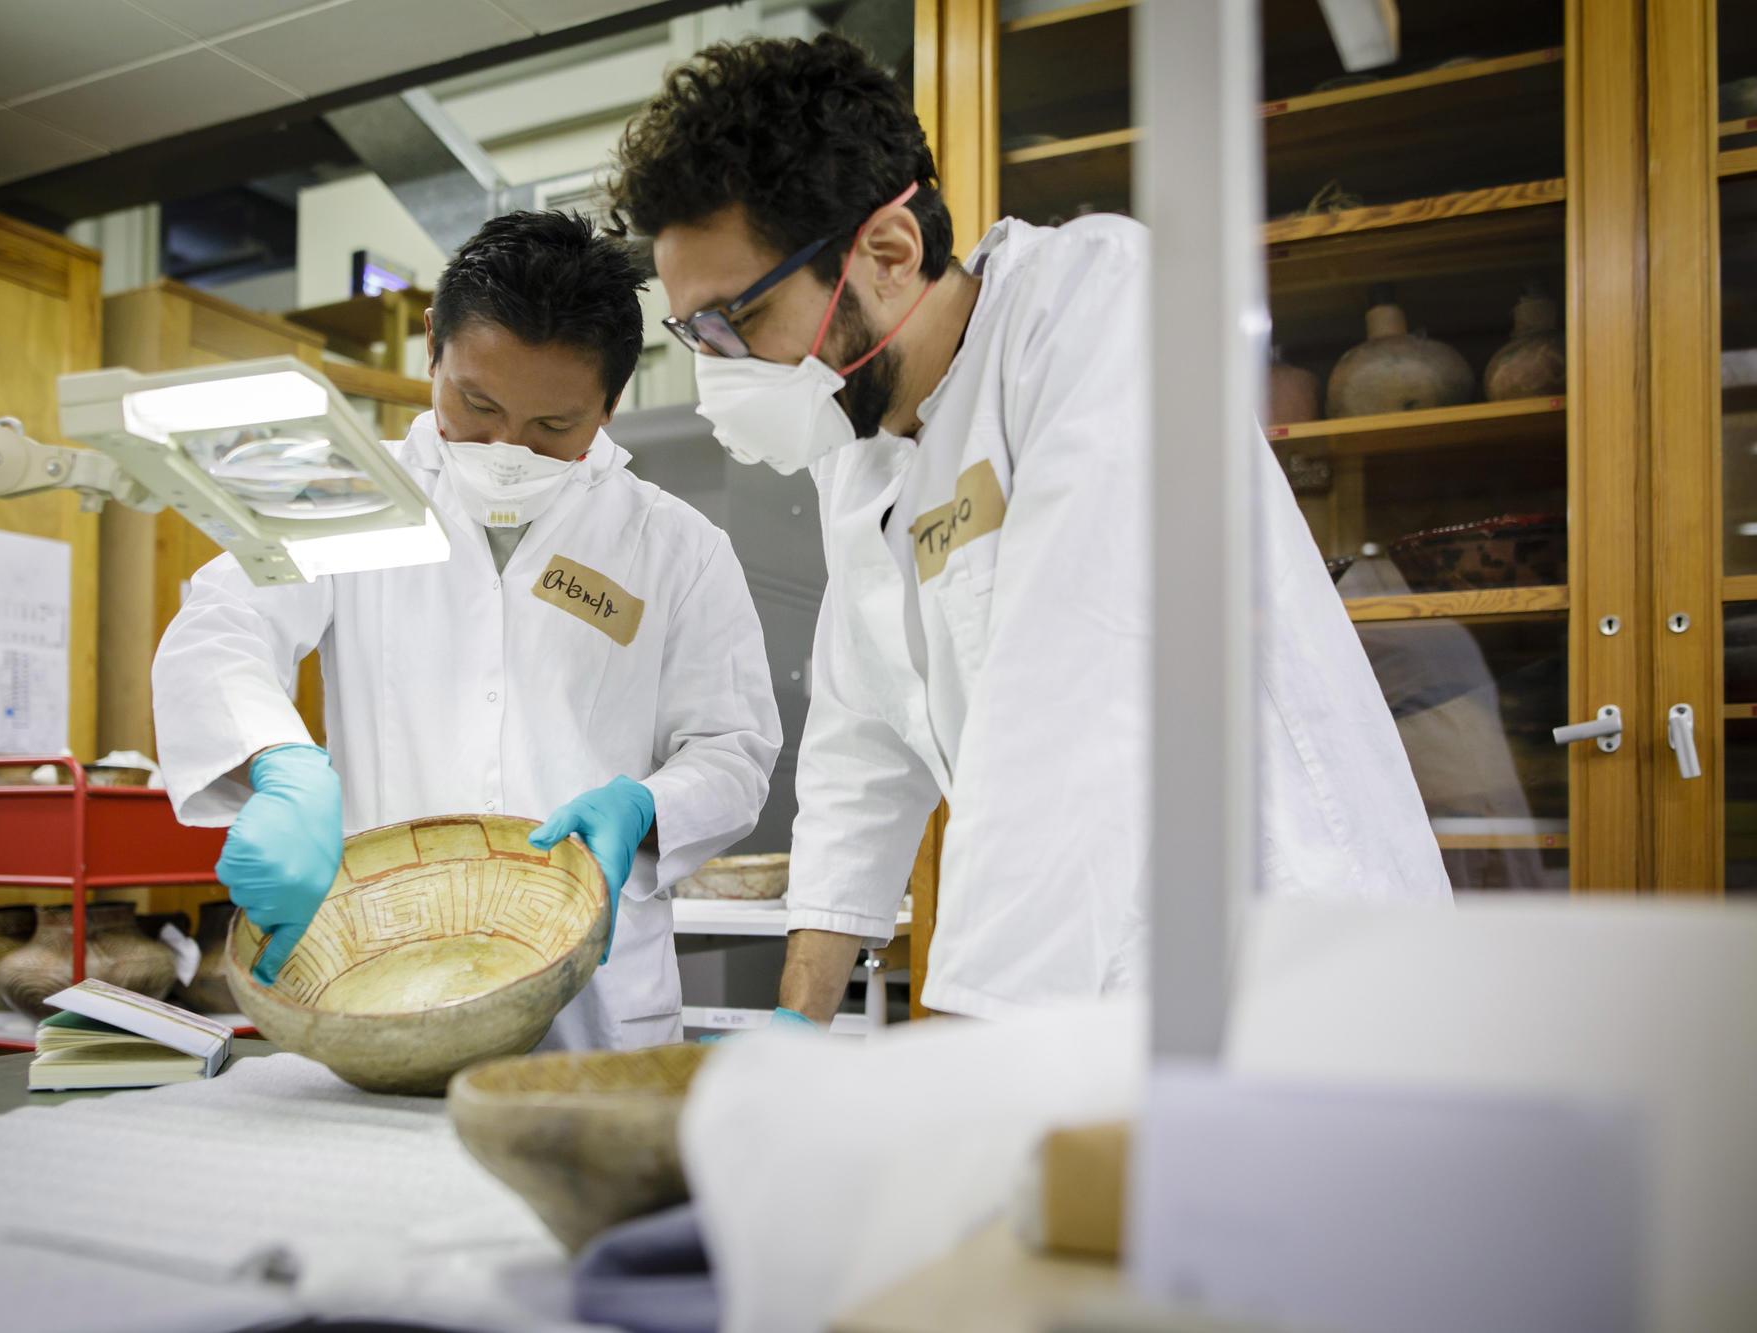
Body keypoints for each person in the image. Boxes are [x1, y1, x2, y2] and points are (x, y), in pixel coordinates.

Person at [609, 34, 1450, 1026]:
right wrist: (801, 1014)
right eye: (691, 334)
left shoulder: (1091, 304)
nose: (717, 366)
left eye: (732, 320)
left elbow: (1067, 700)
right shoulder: (861, 447)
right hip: (1092, 989)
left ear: (886, 254)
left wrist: (960, 1057)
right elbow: (860, 742)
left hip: (1286, 965)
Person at [152, 211, 782, 1050]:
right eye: (476, 403)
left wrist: (647, 806)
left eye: (554, 426)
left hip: (590, 1007)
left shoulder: (675, 547)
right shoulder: (345, 491)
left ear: (612, 400)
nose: (505, 448)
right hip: (383, 971)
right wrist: (281, 764)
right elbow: (222, 623)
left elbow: (734, 747)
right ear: (431, 348)